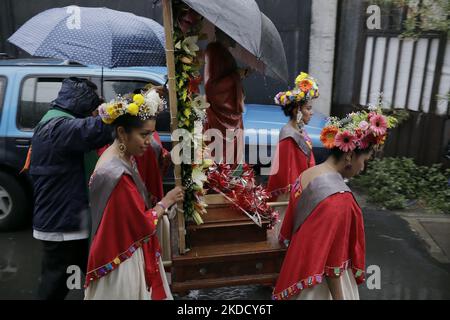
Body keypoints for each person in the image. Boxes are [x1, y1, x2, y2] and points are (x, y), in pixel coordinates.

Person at [273, 107, 393, 300]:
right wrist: (339, 297)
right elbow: (333, 262)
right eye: (365, 160)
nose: (362, 168)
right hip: (321, 288)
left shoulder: (305, 176)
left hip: (299, 276)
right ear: (349, 155)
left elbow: (289, 231)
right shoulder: (340, 198)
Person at [84, 88, 184, 300]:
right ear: (121, 133)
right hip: (121, 262)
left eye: (151, 133)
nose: (150, 141)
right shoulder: (117, 174)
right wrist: (166, 201)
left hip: (118, 252)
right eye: (144, 134)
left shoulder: (120, 157)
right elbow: (143, 223)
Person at [28, 77, 112, 300]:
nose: (93, 112)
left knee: (92, 275)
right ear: (81, 103)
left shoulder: (54, 121)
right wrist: (118, 109)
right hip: (61, 223)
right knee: (55, 283)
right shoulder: (58, 127)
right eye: (91, 106)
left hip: (67, 218)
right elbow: (92, 131)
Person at [266, 72, 319, 237]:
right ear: (297, 110)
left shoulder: (299, 131)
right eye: (308, 108)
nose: (311, 112)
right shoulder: (289, 135)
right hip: (291, 199)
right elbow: (285, 175)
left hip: (302, 191)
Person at [203, 28, 249, 164]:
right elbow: (212, 87)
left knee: (233, 161)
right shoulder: (213, 51)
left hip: (231, 114)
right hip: (220, 116)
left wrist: (239, 76)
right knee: (223, 162)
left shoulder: (223, 52)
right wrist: (236, 76)